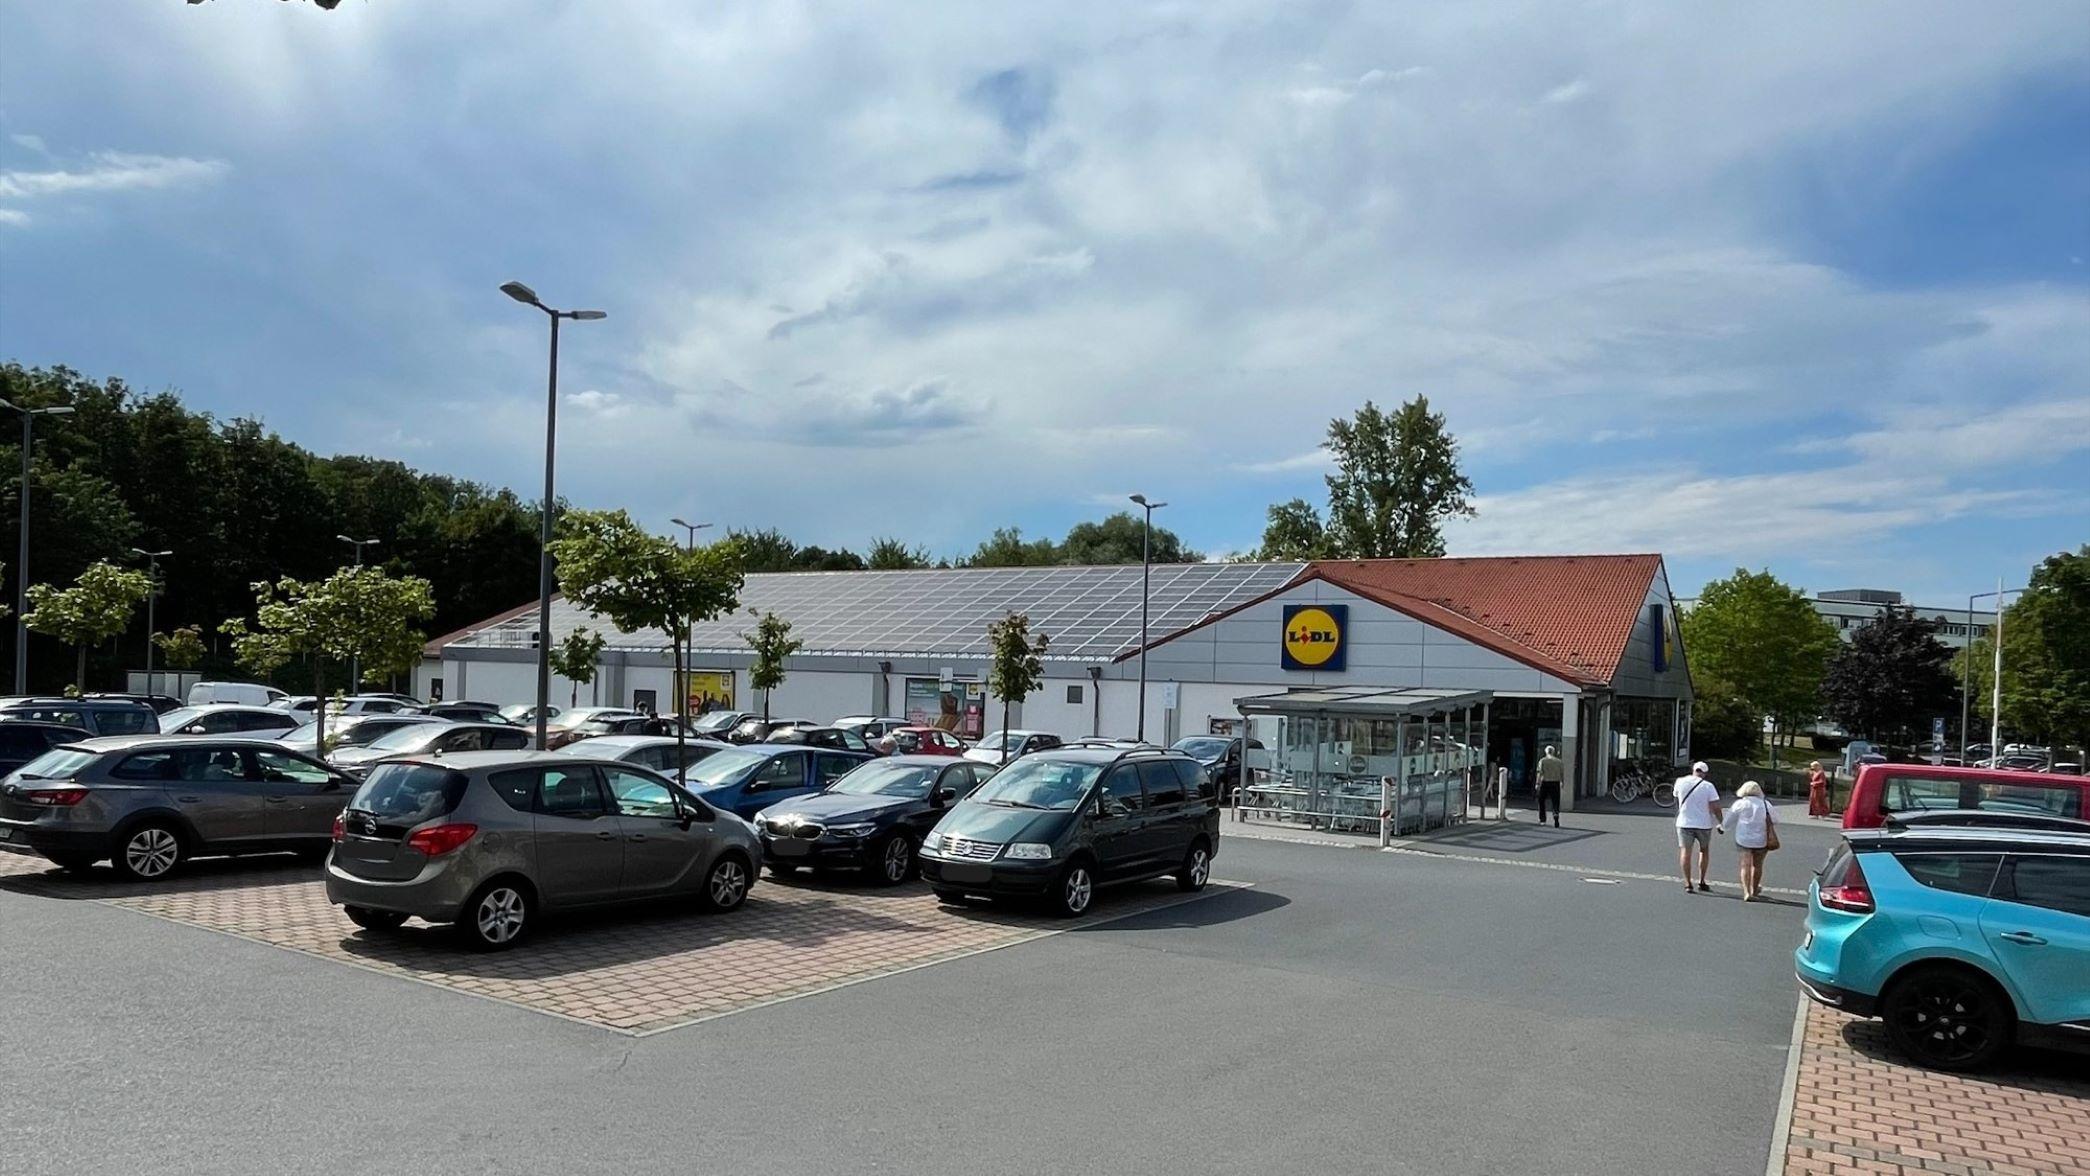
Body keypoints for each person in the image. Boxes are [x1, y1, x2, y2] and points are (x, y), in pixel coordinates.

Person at [1723, 781, 1779, 900]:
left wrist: (1723, 828)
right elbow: (1775, 820)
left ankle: (1746, 892)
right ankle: (1754, 890)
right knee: (1757, 865)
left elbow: (1728, 820)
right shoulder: (1766, 804)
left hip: (1743, 838)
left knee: (1745, 865)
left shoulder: (1740, 804)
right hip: (1761, 839)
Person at [1674, 761, 1723, 893]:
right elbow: (1716, 807)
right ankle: (1702, 881)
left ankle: (1687, 883)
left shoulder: (1680, 781)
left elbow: (1676, 796)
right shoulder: (1708, 786)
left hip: (1684, 822)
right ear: (1705, 773)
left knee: (1685, 852)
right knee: (1704, 850)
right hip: (1703, 823)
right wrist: (1721, 822)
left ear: (1693, 770)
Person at [1535, 745, 1564, 827]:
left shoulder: (1543, 761)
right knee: (1555, 801)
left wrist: (1537, 783)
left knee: (1541, 800)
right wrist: (1562, 782)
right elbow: (1562, 773)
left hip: (1545, 782)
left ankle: (1542, 819)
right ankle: (1555, 814)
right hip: (1556, 783)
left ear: (1546, 752)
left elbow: (1539, 773)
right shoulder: (1559, 762)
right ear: (1553, 752)